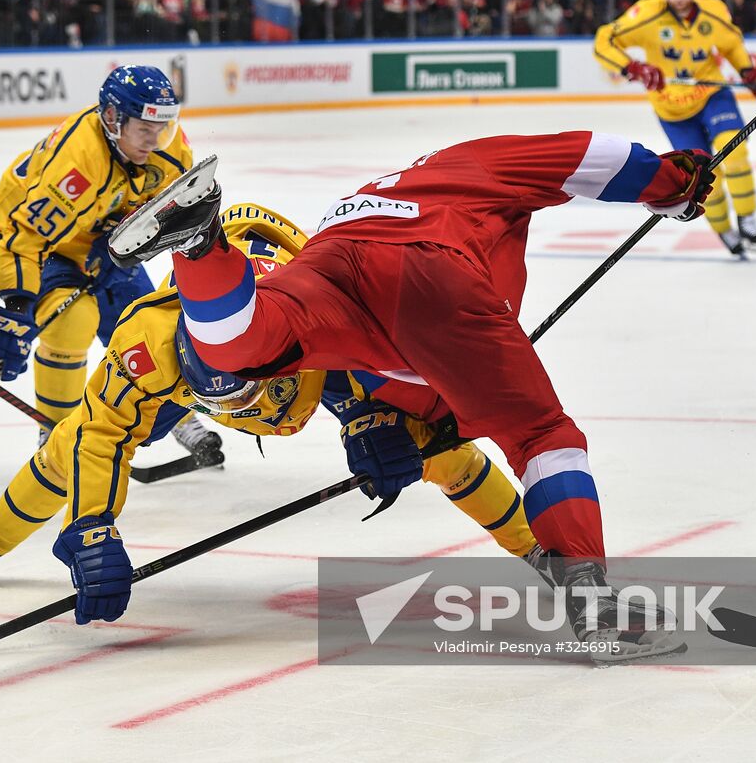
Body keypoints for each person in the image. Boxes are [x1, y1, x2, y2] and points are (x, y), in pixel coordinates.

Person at [105, 132, 716, 660]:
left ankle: (200, 247)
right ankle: (595, 603)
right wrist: (673, 185)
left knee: (244, 346)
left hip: (333, 253)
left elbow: (390, 360)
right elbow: (592, 154)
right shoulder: (478, 163)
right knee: (540, 435)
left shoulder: (396, 183)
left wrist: (381, 418)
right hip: (430, 267)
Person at [0, 204, 546, 620]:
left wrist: (374, 420)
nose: (238, 410)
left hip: (307, 346)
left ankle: (538, 550)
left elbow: (400, 371)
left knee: (442, 453)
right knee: (71, 441)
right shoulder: (148, 343)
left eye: (244, 393)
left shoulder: (318, 318)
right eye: (221, 398)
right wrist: (93, 529)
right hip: (227, 354)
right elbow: (100, 439)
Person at [0, 65, 221, 460]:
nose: (156, 139)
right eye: (144, 129)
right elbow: (23, 239)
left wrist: (127, 251)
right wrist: (17, 308)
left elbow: (167, 212)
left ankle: (176, 419)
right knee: (71, 323)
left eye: (163, 128)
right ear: (113, 118)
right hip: (40, 245)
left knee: (149, 328)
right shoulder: (77, 162)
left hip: (105, 242)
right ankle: (53, 435)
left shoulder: (168, 151)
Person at [594, 0, 756, 257]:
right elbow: (604, 39)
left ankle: (748, 218)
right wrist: (630, 67)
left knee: (734, 152)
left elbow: (731, 43)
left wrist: (748, 71)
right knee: (705, 175)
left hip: (712, 94)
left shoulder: (713, 10)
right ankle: (724, 230)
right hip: (672, 109)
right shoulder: (646, 13)